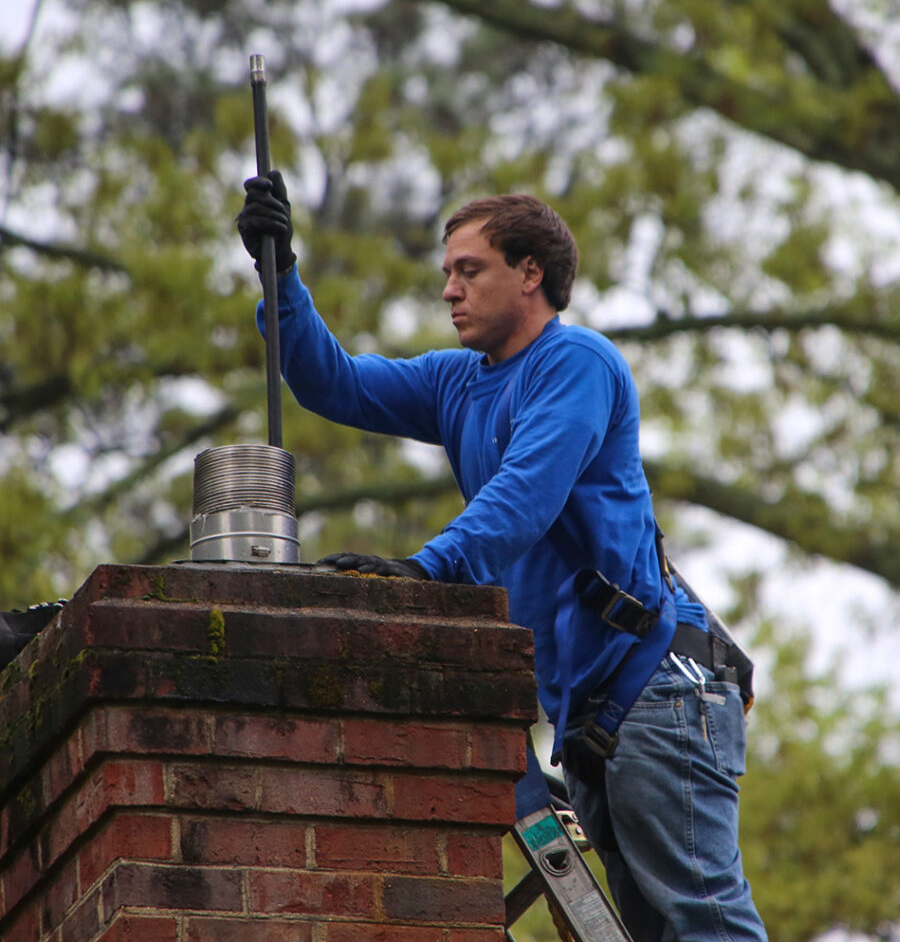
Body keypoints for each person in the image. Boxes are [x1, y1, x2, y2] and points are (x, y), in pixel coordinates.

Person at [236, 172, 767, 942]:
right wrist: (279, 274)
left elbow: (527, 492)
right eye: (446, 273)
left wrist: (428, 570)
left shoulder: (576, 363)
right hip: (591, 714)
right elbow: (334, 382)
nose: (450, 289)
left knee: (702, 918)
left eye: (469, 269)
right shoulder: (459, 381)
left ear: (531, 274)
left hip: (656, 686)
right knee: (655, 931)